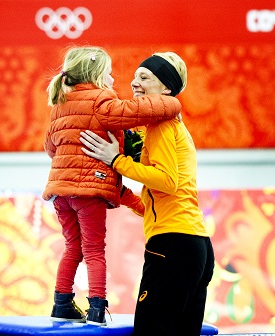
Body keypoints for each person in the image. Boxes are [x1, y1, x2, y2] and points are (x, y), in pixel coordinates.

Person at [43, 46, 182, 326]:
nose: (113, 80)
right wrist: (173, 104)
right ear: (97, 76)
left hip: (60, 191)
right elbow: (136, 111)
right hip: (88, 192)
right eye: (108, 74)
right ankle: (96, 307)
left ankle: (61, 302)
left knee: (72, 247)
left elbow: (50, 147)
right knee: (94, 249)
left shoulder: (59, 106)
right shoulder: (102, 101)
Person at [79, 52, 215, 336]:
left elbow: (166, 182)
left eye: (144, 77)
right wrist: (124, 194)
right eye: (134, 76)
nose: (134, 83)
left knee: (151, 332)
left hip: (173, 246)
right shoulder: (175, 126)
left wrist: (116, 161)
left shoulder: (162, 125)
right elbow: (161, 198)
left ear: (166, 88)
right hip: (195, 245)